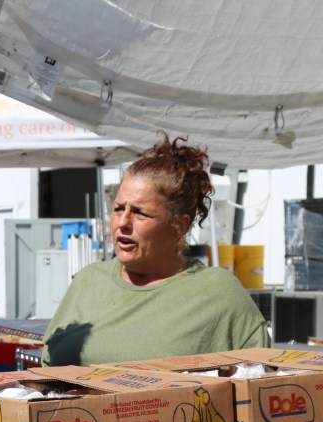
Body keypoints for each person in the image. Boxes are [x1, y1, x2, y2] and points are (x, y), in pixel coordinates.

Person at [42, 134, 270, 366]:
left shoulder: (218, 293)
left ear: (178, 226)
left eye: (140, 213)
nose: (123, 222)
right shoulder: (88, 280)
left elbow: (262, 377)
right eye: (118, 209)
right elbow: (47, 363)